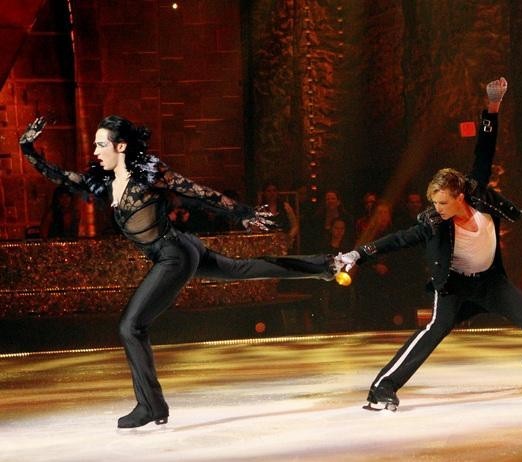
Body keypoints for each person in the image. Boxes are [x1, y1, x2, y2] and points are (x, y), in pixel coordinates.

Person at [19, 115, 338, 428]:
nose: (96, 151)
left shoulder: (148, 173)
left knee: (131, 327)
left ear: (121, 146)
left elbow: (197, 191)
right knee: (242, 269)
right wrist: (29, 150)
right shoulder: (104, 183)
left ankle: (150, 406)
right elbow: (62, 177)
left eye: (102, 144)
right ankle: (324, 266)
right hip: (182, 248)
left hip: (174, 254)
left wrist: (242, 212)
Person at [335, 77, 522, 412]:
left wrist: (492, 109)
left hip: (491, 283)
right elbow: (398, 239)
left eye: (442, 203)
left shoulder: (478, 195)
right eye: (434, 203)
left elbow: (485, 149)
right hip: (454, 288)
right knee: (432, 332)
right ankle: (382, 388)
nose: (435, 209)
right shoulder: (434, 224)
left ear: (460, 196)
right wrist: (359, 253)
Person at [260, 182, 299, 247]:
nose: (272, 193)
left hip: (283, 244)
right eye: (269, 191)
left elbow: (295, 226)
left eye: (274, 190)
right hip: (267, 244)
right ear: (264, 193)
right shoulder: (260, 210)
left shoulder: (286, 207)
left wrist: (289, 237)